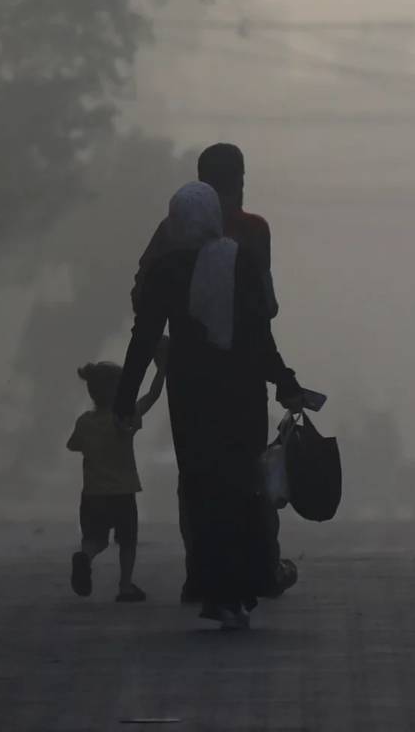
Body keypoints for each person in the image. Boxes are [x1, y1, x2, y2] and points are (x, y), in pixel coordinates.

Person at [119, 181, 305, 631]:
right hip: (240, 393)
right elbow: (260, 333)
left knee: (202, 488)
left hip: (191, 396)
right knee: (241, 487)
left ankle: (213, 585)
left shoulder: (165, 270)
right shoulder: (239, 262)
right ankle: (239, 587)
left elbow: (144, 337)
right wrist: (285, 382)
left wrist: (126, 395)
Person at [67, 345, 169, 601]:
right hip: (122, 492)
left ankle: (84, 557)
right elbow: (152, 396)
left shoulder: (85, 421)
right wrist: (162, 371)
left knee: (96, 538)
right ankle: (125, 586)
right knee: (127, 541)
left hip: (92, 494)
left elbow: (73, 445)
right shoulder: (124, 417)